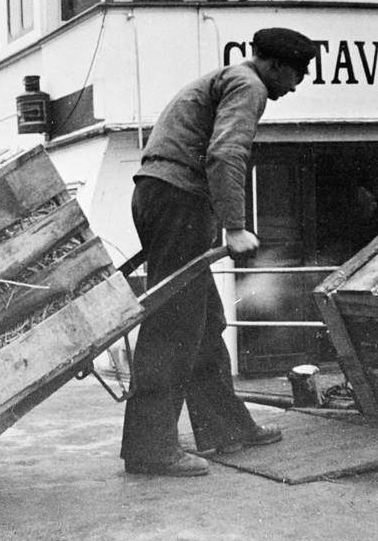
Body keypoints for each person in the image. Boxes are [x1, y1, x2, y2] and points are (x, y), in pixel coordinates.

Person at [122, 27, 319, 477]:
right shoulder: (249, 86)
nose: (297, 84)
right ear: (275, 65)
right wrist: (235, 227)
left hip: (164, 194)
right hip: (179, 199)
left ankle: (225, 428)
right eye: (297, 72)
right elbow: (226, 154)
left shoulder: (229, 79)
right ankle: (149, 449)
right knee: (173, 324)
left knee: (204, 320)